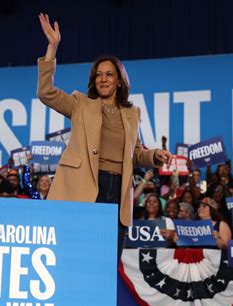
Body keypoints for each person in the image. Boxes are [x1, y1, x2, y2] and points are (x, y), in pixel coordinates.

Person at [37, 13, 172, 247]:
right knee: (81, 251)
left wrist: (154, 155)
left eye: (109, 74)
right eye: (98, 75)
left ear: (119, 80)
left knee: (110, 255)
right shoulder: (81, 103)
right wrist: (52, 48)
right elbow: (46, 92)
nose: (103, 79)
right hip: (86, 185)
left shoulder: (132, 113)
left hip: (118, 190)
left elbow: (136, 153)